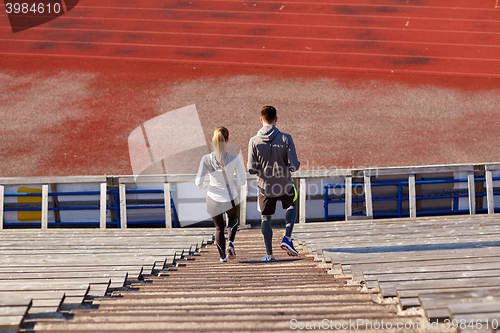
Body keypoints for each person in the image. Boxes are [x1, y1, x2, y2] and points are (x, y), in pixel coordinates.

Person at [247, 106, 300, 261]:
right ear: (276, 119)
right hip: (284, 184)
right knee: (292, 203)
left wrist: (261, 171)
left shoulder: (253, 141)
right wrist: (290, 167)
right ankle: (287, 238)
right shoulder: (286, 138)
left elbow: (251, 168)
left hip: (265, 188)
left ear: (261, 120)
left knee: (265, 218)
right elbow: (295, 164)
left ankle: (270, 255)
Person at [196, 126, 247, 262]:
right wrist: (231, 182)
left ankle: (222, 258)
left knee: (219, 228)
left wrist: (206, 186)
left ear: (212, 141)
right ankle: (230, 242)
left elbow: (198, 182)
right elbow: (242, 181)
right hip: (230, 199)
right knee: (233, 220)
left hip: (213, 199)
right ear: (227, 140)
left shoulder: (206, 159)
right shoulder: (234, 159)